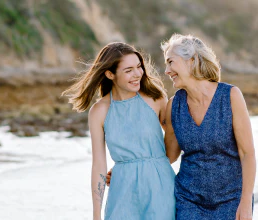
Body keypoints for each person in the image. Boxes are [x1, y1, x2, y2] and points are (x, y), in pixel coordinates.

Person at [107, 34, 256, 219]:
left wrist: (246, 202)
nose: (167, 70)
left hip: (231, 199)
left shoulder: (231, 96)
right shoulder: (174, 105)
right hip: (188, 200)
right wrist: (128, 167)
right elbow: (168, 155)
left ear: (191, 61)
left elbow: (247, 153)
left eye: (171, 62)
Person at [62, 42, 176, 219]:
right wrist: (96, 214)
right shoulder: (99, 111)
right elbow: (99, 165)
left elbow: (174, 144)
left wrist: (146, 166)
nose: (137, 74)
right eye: (128, 70)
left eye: (139, 67)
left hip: (161, 187)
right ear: (110, 74)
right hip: (122, 192)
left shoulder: (155, 98)